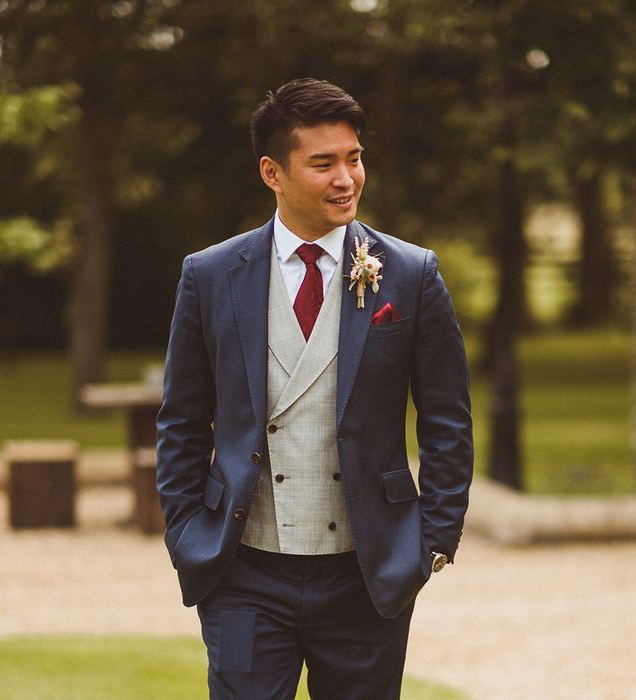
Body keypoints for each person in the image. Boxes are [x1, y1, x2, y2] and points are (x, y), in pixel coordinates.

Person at [156, 77, 473, 699]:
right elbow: (182, 421)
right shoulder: (211, 274)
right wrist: (187, 531)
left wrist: (430, 542)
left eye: (354, 159)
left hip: (366, 572)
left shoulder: (410, 274)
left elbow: (447, 418)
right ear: (272, 172)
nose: (346, 179)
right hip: (243, 570)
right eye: (323, 163)